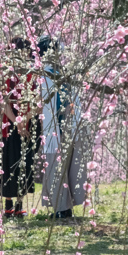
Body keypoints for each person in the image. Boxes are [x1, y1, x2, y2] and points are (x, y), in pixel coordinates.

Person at [0, 37, 39, 218]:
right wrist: (18, 122)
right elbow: (2, 102)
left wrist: (25, 120)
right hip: (7, 124)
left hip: (26, 123)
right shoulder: (3, 73)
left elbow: (39, 102)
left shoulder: (33, 74)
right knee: (7, 164)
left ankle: (18, 204)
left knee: (23, 163)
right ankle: (8, 204)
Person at [37, 36, 89, 219]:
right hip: (67, 125)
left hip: (57, 126)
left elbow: (48, 104)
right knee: (67, 167)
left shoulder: (47, 75)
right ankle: (65, 208)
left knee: (57, 167)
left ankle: (61, 209)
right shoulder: (61, 73)